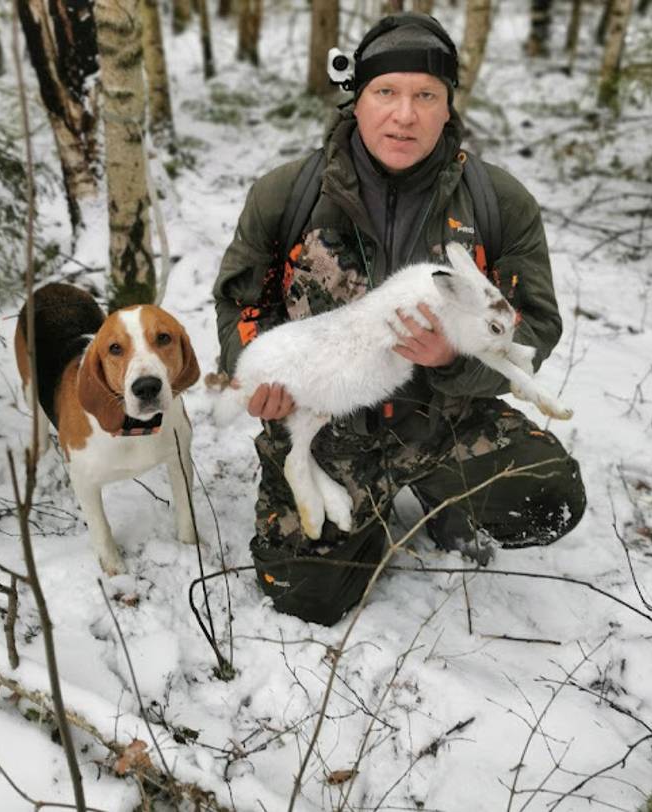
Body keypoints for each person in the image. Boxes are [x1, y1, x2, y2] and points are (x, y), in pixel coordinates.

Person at [212, 12, 586, 626]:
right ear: (356, 100)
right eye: (386, 92)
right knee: (304, 598)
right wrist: (258, 375)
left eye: (425, 96)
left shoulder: (499, 204)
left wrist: (452, 361)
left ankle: (443, 499)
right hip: (332, 427)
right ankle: (366, 511)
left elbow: (536, 328)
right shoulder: (288, 194)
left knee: (548, 499)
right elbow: (242, 305)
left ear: (448, 107)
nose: (404, 115)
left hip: (445, 418)